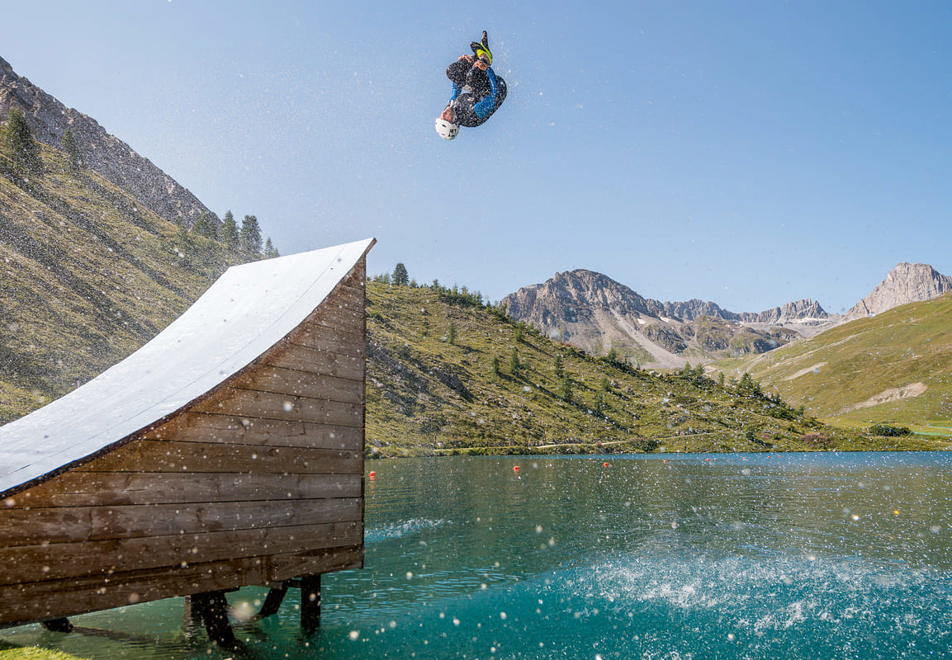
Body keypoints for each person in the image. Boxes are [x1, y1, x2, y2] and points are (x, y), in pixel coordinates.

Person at [435, 31, 507, 140]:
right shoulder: (473, 114)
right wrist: (487, 69)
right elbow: (494, 94)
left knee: (452, 71)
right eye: (446, 119)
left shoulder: (451, 107)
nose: (443, 114)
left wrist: (463, 63)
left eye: (441, 117)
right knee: (471, 76)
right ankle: (485, 59)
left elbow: (456, 88)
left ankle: (479, 56)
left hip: (480, 88)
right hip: (497, 87)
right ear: (454, 122)